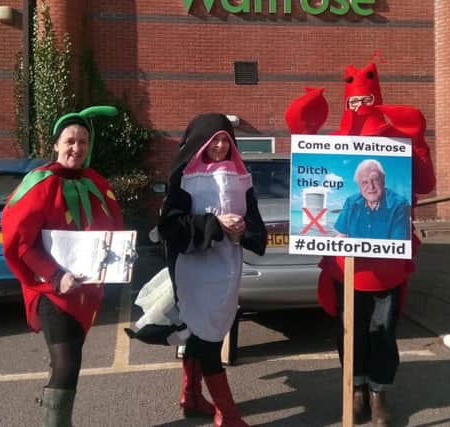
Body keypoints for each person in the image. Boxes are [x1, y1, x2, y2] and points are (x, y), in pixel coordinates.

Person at [285, 63, 435, 425]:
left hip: (387, 267)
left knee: (383, 333)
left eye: (368, 99)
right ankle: (354, 387)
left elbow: (426, 184)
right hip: (344, 266)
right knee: (348, 331)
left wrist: (416, 140)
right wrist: (304, 126)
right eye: (355, 100)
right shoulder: (337, 147)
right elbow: (313, 172)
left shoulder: (396, 141)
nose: (360, 106)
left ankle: (378, 392)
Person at [1, 106, 123, 426]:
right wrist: (56, 276)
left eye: (83, 141)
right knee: (67, 365)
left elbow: (113, 234)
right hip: (52, 292)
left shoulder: (96, 182)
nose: (76, 147)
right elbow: (22, 244)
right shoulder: (39, 183)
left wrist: (120, 257)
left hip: (85, 291)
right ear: (56, 144)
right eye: (70, 140)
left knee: (68, 363)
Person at [158, 113, 267, 427]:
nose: (220, 146)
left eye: (226, 140)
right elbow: (170, 226)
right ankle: (228, 415)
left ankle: (191, 398)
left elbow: (255, 223)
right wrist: (215, 225)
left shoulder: (241, 176)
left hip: (226, 271)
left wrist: (243, 230)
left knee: (201, 334)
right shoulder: (183, 177)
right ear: (200, 143)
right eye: (214, 140)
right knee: (207, 342)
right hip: (193, 272)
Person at [334, 158, 411, 240]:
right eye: (365, 182)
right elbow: (341, 235)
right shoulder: (351, 202)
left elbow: (399, 245)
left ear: (383, 181)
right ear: (359, 185)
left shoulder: (399, 204)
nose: (371, 187)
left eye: (375, 180)